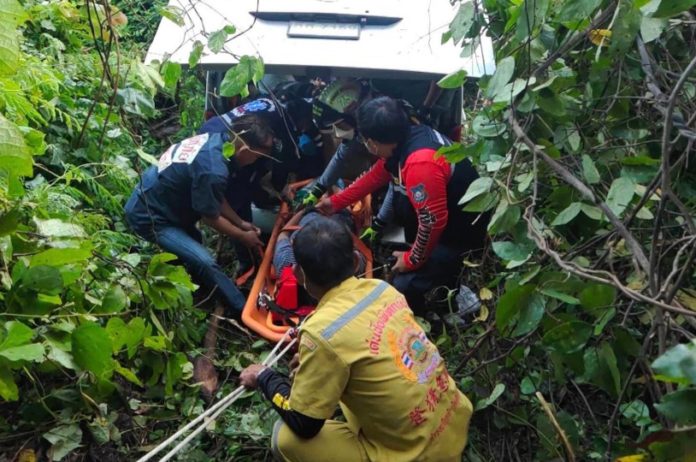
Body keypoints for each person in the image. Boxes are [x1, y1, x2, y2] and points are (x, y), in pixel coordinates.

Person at [239, 216, 472, 462]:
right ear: (356, 260)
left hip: (415, 456)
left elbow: (303, 422)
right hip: (453, 425)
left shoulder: (321, 333)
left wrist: (264, 377)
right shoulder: (383, 290)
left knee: (283, 437)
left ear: (298, 274)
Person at [316, 96, 490, 314]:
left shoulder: (420, 163)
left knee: (403, 286)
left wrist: (411, 260)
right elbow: (376, 175)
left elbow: (432, 223)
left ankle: (434, 313)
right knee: (405, 249)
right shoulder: (407, 137)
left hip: (460, 231)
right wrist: (336, 203)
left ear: (373, 142)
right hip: (444, 218)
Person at [124, 114, 275, 316]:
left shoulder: (218, 142)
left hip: (165, 202)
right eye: (257, 157)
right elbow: (209, 216)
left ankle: (190, 283)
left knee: (193, 245)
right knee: (204, 261)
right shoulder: (213, 169)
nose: (255, 162)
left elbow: (215, 196)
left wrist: (240, 223)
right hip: (151, 216)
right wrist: (241, 235)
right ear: (245, 150)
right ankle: (242, 310)